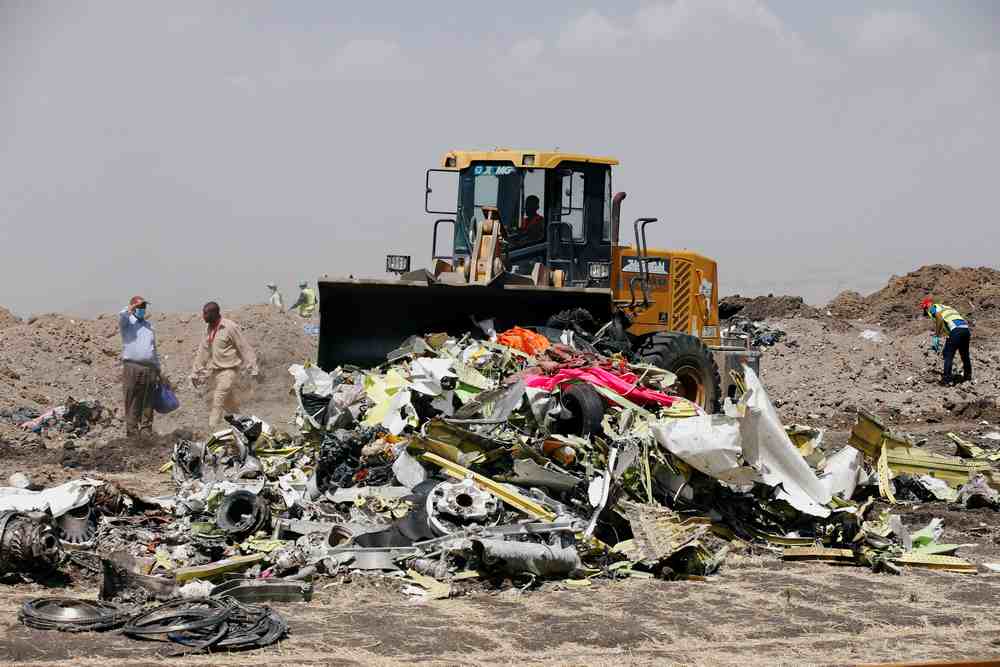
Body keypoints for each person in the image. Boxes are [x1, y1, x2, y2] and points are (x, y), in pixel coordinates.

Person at [189, 302, 259, 427]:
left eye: (206, 313)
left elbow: (243, 346)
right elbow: (203, 351)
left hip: (229, 371)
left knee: (218, 399)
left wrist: (252, 365)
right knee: (230, 405)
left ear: (215, 313)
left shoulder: (230, 327)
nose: (203, 316)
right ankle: (243, 426)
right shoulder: (210, 329)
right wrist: (195, 371)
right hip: (215, 372)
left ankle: (211, 429)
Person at [118, 296, 162, 437]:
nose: (142, 309)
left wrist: (157, 368)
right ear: (133, 307)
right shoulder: (127, 322)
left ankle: (146, 429)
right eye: (140, 307)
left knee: (148, 399)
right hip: (132, 366)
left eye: (144, 307)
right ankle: (132, 430)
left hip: (149, 368)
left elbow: (153, 348)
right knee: (132, 398)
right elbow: (122, 314)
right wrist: (131, 308)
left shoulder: (149, 326)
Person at [922, 297, 972, 385]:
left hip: (956, 330)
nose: (926, 313)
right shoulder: (946, 307)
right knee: (964, 354)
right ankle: (967, 376)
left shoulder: (933, 307)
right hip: (965, 330)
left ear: (926, 306)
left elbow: (939, 318)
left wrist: (936, 336)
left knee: (948, 355)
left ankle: (946, 380)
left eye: (925, 310)